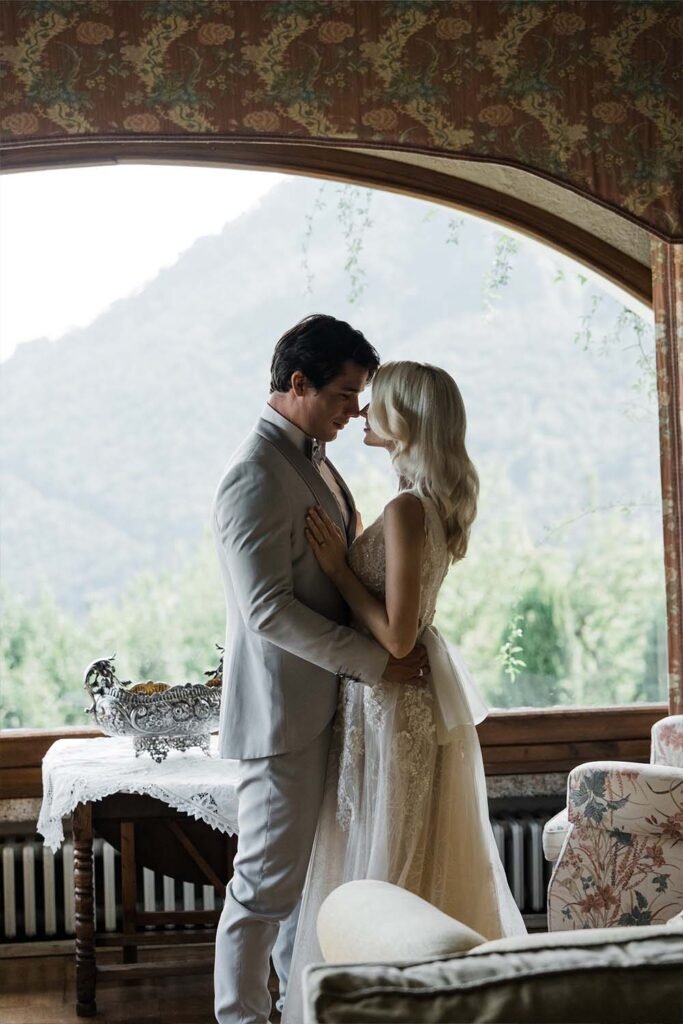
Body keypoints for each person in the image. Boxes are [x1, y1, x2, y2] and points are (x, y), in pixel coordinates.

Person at [282, 361, 526, 1023]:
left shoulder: (407, 507)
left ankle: (388, 998)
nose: (361, 413)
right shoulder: (418, 502)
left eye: (375, 405)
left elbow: (395, 638)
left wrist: (337, 568)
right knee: (392, 838)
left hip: (393, 700)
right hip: (391, 701)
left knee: (387, 845)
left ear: (407, 419)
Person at [212, 317, 429, 1024]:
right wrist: (375, 663)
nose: (352, 412)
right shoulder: (253, 472)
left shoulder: (314, 458)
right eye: (342, 394)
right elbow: (266, 611)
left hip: (330, 706)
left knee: (306, 890)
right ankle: (239, 1018)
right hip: (282, 716)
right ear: (297, 383)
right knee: (263, 888)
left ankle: (299, 1012)